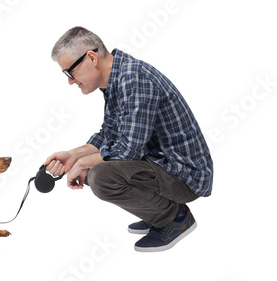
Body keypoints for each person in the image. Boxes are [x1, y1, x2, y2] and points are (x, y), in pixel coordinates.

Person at [45, 26, 213, 252]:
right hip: (162, 165)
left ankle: (175, 217)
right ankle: (156, 211)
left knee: (100, 176)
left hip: (184, 175)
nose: (70, 81)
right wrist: (73, 155)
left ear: (91, 57)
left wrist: (82, 164)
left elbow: (127, 151)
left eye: (69, 72)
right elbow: (109, 133)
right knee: (96, 167)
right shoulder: (118, 79)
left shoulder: (134, 79)